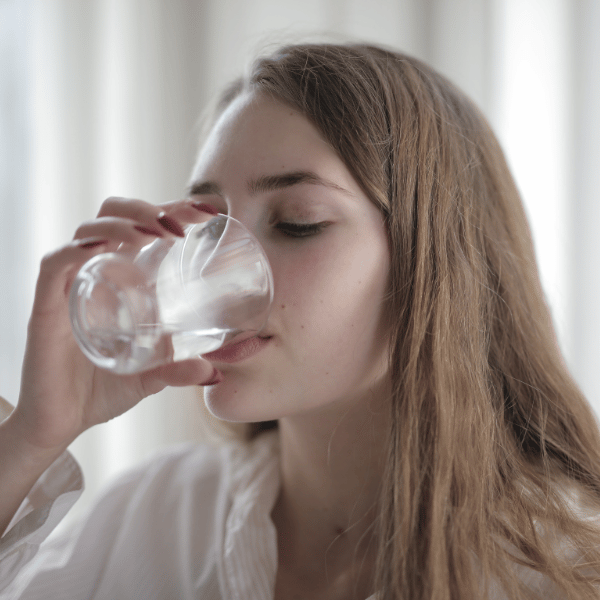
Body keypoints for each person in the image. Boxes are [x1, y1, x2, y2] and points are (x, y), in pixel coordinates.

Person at [1, 42, 600, 600]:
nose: (217, 274)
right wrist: (31, 437)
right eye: (209, 226)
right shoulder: (155, 518)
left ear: (437, 264)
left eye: (297, 222)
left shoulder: (560, 570)